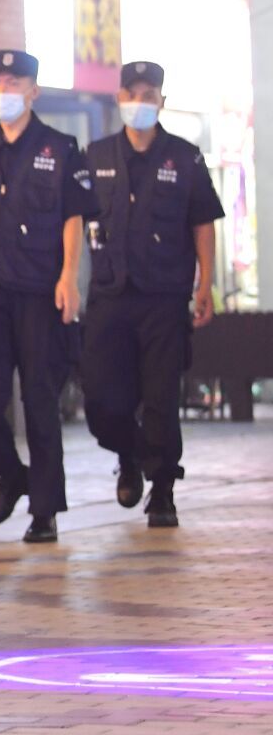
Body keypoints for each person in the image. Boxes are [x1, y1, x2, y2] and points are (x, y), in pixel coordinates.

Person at [0, 49, 94, 543]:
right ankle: (10, 475)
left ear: (33, 90)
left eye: (13, 82)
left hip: (38, 291)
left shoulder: (61, 148)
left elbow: (74, 217)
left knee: (40, 401)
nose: (2, 91)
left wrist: (69, 277)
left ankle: (44, 511)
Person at [81, 60, 224, 528]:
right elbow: (69, 221)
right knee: (103, 399)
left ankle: (161, 488)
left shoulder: (184, 157)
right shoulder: (96, 156)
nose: (139, 102)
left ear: (161, 100)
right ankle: (129, 452)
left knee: (162, 394)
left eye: (149, 94)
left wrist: (205, 284)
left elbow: (202, 222)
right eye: (132, 94)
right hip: (110, 293)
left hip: (164, 294)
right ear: (119, 99)